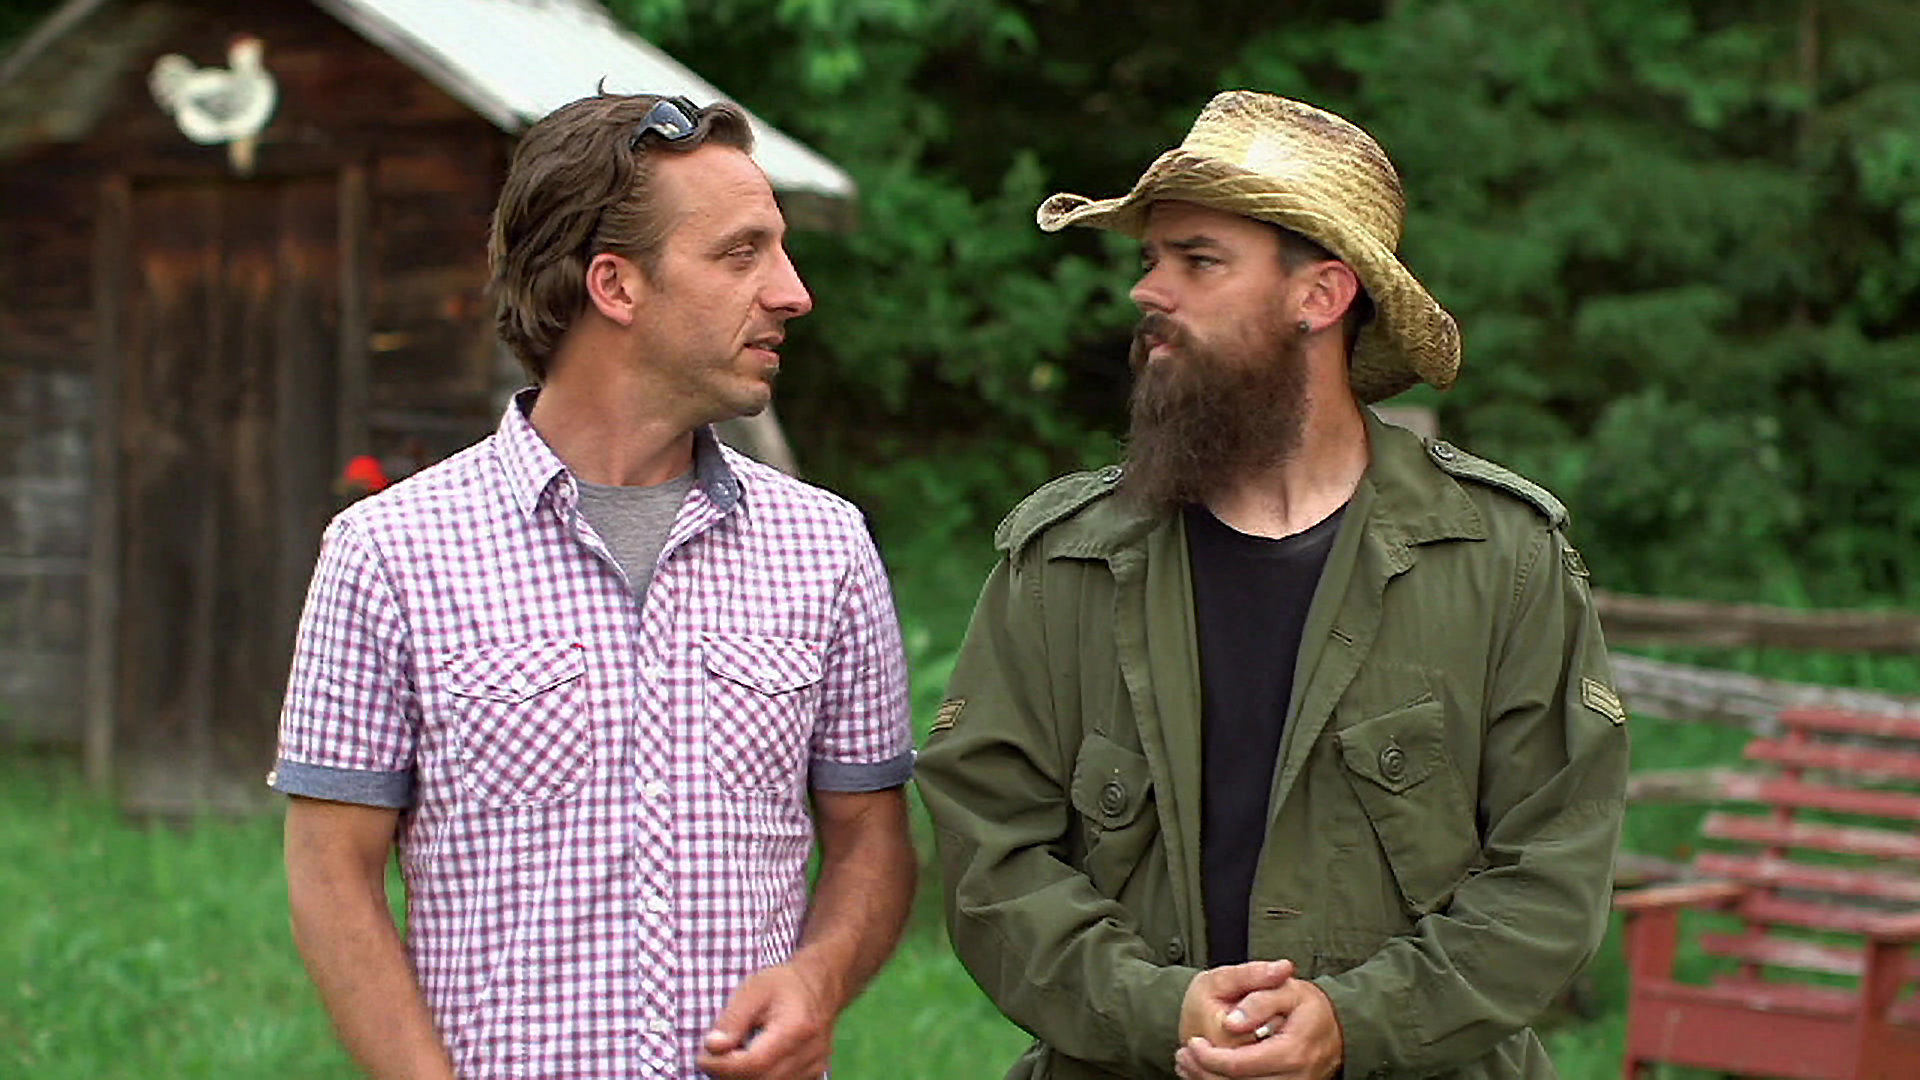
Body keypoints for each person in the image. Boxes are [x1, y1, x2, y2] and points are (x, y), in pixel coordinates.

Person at [915, 91, 1628, 1080]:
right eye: (1150, 258)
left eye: (1198, 260)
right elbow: (989, 856)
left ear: (1320, 296)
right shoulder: (1064, 563)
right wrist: (1158, 1008)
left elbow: (1552, 873)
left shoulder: (1500, 559)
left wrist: (1353, 1022)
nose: (1149, 290)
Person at [271, 92, 916, 1080]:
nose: (792, 292)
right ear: (616, 285)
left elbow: (873, 840)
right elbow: (330, 874)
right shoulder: (390, 552)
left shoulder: (826, 546)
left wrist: (820, 979)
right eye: (741, 254)